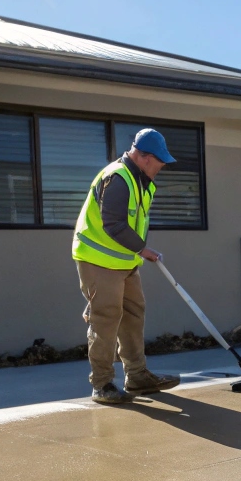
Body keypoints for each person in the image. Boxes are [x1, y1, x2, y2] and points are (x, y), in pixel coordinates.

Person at [71, 128, 182, 405]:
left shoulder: (141, 181)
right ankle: (102, 384)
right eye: (160, 162)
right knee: (106, 319)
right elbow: (114, 224)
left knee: (133, 314)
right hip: (98, 260)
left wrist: (138, 253)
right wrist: (144, 250)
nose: (162, 167)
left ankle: (137, 376)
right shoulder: (118, 178)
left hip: (123, 260)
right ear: (145, 158)